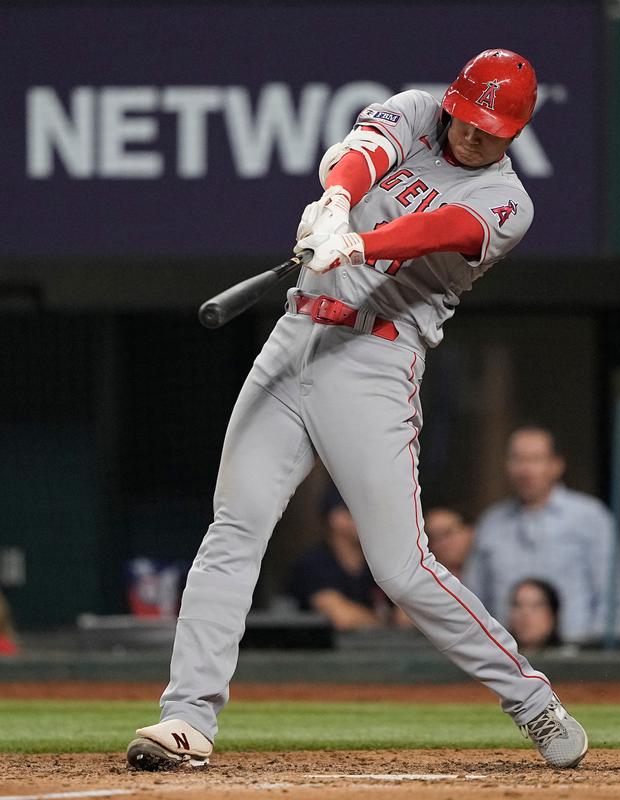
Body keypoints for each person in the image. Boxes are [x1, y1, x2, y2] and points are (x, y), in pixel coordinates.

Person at [126, 50, 587, 773]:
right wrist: (336, 203)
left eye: (492, 128)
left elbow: (441, 231)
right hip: (295, 336)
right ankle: (186, 717)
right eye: (468, 118)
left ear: (515, 132)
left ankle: (531, 699)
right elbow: (363, 155)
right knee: (234, 528)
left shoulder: (508, 201)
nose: (474, 134)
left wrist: (357, 244)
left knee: (402, 569)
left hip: (375, 359)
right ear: (454, 102)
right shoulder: (417, 109)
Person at [466, 426, 620, 646]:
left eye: (535, 459)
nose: (525, 470)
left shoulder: (590, 518)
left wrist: (597, 654)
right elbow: (473, 598)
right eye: (518, 459)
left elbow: (612, 600)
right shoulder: (491, 523)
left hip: (575, 653)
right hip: (504, 655)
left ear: (556, 465)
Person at [287, 487, 388, 630]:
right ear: (336, 518)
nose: (370, 519)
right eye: (360, 511)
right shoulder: (314, 563)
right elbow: (341, 616)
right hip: (324, 644)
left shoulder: (380, 562)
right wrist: (386, 623)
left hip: (387, 644)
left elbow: (409, 613)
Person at [509, 579, 562, 653]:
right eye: (518, 605)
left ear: (553, 615)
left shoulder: (570, 656)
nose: (525, 614)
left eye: (535, 606)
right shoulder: (497, 656)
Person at [424, 508, 473, 581]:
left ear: (469, 531)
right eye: (435, 538)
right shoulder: (433, 582)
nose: (443, 543)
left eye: (447, 533)